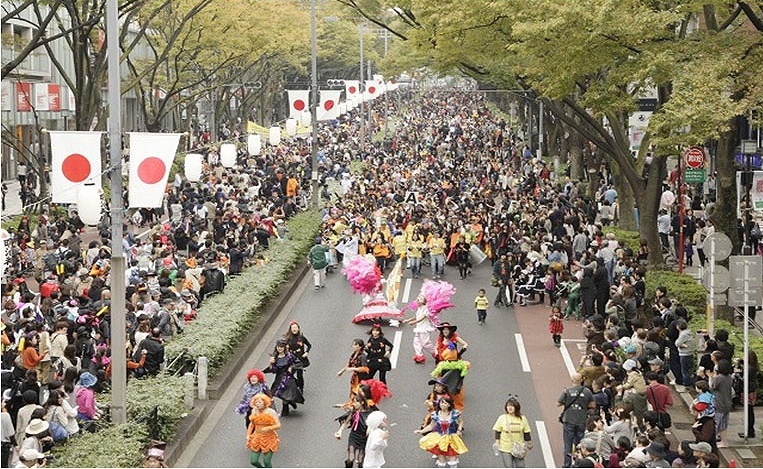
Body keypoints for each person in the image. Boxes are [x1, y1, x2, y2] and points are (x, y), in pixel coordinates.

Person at [415, 395, 467, 468]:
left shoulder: (455, 413)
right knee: (441, 460)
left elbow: (461, 422)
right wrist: (421, 431)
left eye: (445, 403)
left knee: (452, 460)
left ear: (449, 405)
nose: (443, 404)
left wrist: (459, 430)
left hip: (451, 438)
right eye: (441, 402)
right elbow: (431, 426)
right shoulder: (435, 414)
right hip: (440, 439)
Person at [558, 372, 596, 468]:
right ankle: (579, 462)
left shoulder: (567, 391)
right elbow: (593, 405)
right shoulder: (587, 391)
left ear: (572, 380)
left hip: (569, 420)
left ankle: (567, 465)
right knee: (580, 443)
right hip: (582, 420)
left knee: (568, 444)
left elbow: (558, 403)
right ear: (581, 380)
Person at [263, 339, 304, 417]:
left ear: (284, 348)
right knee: (279, 394)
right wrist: (271, 364)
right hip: (279, 378)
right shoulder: (275, 357)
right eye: (278, 347)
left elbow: (298, 363)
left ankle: (285, 412)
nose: (280, 349)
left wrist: (292, 367)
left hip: (288, 378)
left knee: (286, 394)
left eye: (281, 347)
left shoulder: (289, 356)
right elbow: (274, 370)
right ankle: (290, 402)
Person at [492, 397, 533, 468]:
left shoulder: (522, 418)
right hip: (505, 447)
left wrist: (529, 443)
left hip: (518, 447)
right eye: (508, 406)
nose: (510, 408)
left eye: (512, 406)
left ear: (516, 407)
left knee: (521, 466)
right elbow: (497, 431)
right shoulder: (502, 418)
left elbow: (526, 432)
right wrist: (497, 443)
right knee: (509, 466)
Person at [245, 393, 280, 468]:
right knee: (253, 461)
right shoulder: (254, 411)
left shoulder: (271, 412)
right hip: (257, 438)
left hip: (268, 438)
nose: (258, 404)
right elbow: (252, 425)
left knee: (267, 461)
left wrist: (268, 428)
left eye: (260, 402)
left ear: (265, 402)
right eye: (256, 402)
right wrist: (248, 434)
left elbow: (278, 425)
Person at [403, 295, 437, 364]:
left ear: (424, 301)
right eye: (417, 299)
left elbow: (422, 318)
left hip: (424, 328)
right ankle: (419, 356)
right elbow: (416, 316)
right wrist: (408, 320)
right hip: (418, 328)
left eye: (420, 299)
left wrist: (413, 322)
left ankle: (435, 352)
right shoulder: (419, 308)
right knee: (416, 342)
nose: (417, 300)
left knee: (425, 343)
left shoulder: (426, 309)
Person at [707, 359, 732, 448]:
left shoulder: (719, 378)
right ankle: (724, 442)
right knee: (724, 424)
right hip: (727, 403)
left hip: (719, 402)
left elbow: (711, 387)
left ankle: (712, 441)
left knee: (717, 423)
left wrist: (710, 377)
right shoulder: (729, 377)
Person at [336, 339, 370, 406]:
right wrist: (342, 371)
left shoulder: (363, 356)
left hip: (361, 378)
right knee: (353, 390)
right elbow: (349, 364)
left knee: (359, 392)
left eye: (355, 345)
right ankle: (351, 403)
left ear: (360, 347)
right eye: (353, 345)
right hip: (355, 377)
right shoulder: (353, 354)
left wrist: (352, 369)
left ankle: (360, 405)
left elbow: (365, 369)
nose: (353, 346)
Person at [283, 321, 311, 392]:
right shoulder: (288, 339)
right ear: (290, 329)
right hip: (291, 359)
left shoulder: (301, 338)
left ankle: (301, 388)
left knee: (299, 374)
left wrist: (306, 352)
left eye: (295, 327)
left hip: (300, 359)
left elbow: (309, 345)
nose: (294, 329)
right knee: (289, 374)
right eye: (292, 328)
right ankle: (297, 384)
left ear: (298, 328)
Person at [739, 350, 758, 438]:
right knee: (750, 411)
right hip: (751, 390)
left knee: (749, 412)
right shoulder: (753, 367)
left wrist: (738, 375)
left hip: (748, 391)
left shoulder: (749, 368)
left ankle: (750, 430)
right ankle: (750, 430)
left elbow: (744, 379)